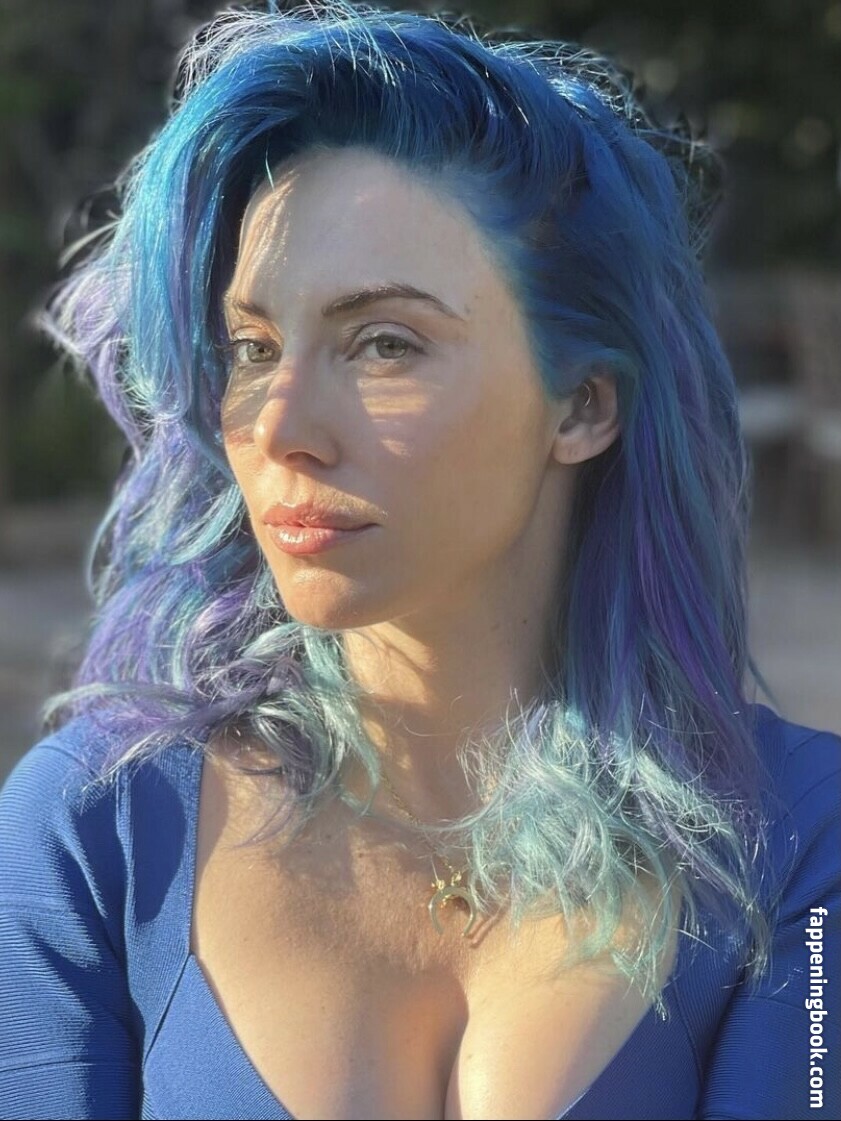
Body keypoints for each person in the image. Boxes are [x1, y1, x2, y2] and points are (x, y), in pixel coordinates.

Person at [0, 2, 838, 1118]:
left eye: (383, 342)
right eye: (253, 346)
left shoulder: (796, 838)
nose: (280, 424)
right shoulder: (97, 827)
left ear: (582, 405)